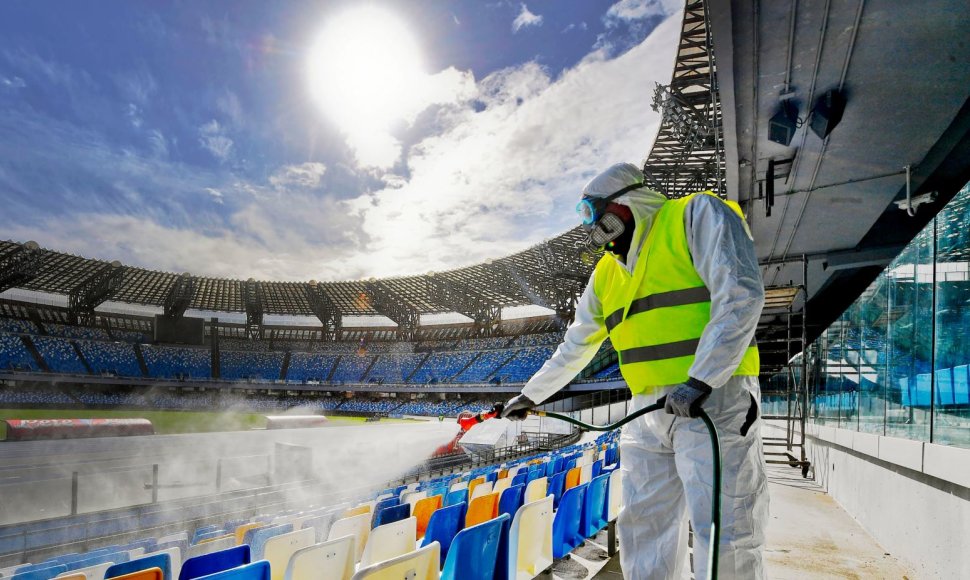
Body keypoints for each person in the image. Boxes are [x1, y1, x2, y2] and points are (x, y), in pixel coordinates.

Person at [501, 162, 768, 579]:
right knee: (644, 526)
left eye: (593, 214)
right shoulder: (605, 274)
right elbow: (577, 344)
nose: (591, 227)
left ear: (625, 204)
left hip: (715, 400)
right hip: (646, 410)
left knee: (723, 526)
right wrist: (532, 395)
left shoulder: (694, 215)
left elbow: (740, 292)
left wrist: (702, 378)